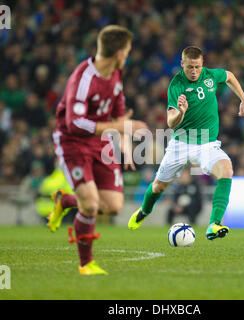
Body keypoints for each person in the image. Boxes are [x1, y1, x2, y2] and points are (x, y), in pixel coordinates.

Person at [49, 25, 147, 275]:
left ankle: (66, 201)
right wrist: (118, 126)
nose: (128, 55)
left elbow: (118, 112)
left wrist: (124, 140)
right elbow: (75, 123)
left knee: (113, 206)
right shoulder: (83, 78)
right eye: (127, 50)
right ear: (118, 53)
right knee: (91, 205)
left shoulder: (115, 74)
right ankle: (86, 264)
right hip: (72, 141)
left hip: (100, 142)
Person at [128, 46, 244, 240]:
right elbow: (170, 122)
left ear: (202, 64)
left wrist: (243, 99)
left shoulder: (210, 76)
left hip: (207, 144)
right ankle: (144, 211)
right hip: (181, 144)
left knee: (226, 170)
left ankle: (214, 224)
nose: (194, 71)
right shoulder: (176, 85)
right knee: (159, 186)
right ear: (182, 64)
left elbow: (228, 76)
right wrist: (181, 113)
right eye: (190, 67)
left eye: (197, 67)